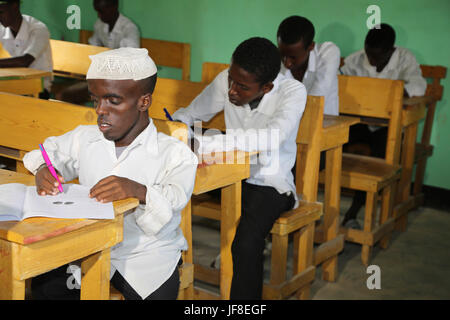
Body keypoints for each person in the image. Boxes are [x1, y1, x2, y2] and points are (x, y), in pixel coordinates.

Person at [23, 48, 198, 300]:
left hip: (144, 255)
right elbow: (44, 153)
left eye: (113, 101)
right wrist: (43, 170)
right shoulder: (86, 137)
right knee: (44, 281)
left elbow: (174, 201)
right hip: (86, 247)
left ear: (143, 102)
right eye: (95, 100)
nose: (100, 110)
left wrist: (139, 191)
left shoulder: (174, 153)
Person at [173, 37, 306, 299]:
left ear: (267, 87)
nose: (232, 90)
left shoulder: (292, 92)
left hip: (269, 184)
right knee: (165, 196)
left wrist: (205, 143)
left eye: (242, 87)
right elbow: (189, 115)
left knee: (245, 244)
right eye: (231, 81)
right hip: (230, 177)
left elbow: (270, 138)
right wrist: (180, 130)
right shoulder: (228, 79)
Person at [340, 23, 427, 228]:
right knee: (333, 146)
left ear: (391, 50)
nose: (370, 60)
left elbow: (418, 84)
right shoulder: (356, 59)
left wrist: (391, 93)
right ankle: (327, 208)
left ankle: (353, 212)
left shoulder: (406, 59)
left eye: (377, 56)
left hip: (388, 128)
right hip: (360, 124)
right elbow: (340, 81)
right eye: (368, 53)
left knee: (378, 159)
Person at [56, 0, 140, 104]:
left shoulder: (129, 29)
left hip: (122, 81)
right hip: (102, 78)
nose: (99, 15)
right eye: (97, 11)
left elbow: (131, 58)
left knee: (68, 95)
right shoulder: (100, 25)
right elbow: (93, 48)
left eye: (102, 11)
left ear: (114, 7)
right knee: (63, 96)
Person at [277, 15, 340, 116]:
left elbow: (316, 98)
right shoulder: (276, 59)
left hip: (326, 125)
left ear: (311, 46)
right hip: (290, 124)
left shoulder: (328, 53)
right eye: (282, 55)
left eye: (293, 57)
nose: (286, 63)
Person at [0, 0, 53, 99]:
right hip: (16, 82)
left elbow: (25, 61)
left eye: (1, 12)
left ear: (14, 6)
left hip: (39, 87)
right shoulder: (2, 30)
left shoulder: (38, 29)